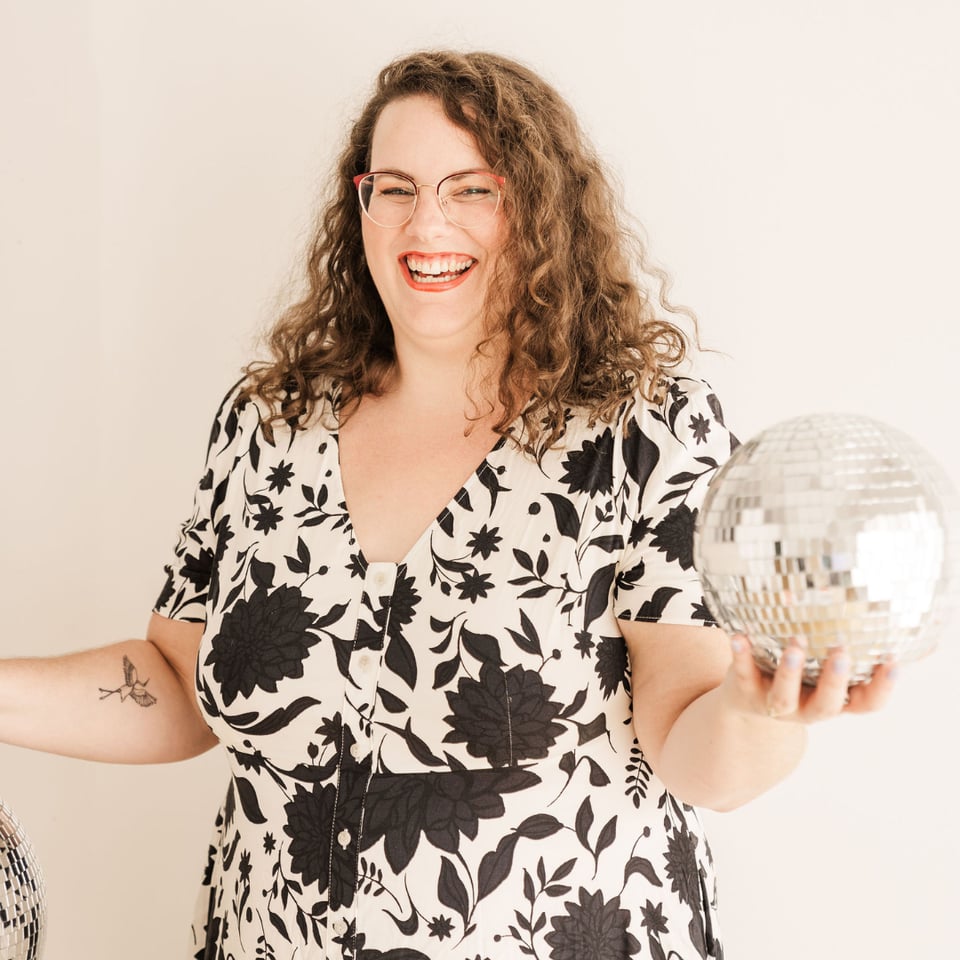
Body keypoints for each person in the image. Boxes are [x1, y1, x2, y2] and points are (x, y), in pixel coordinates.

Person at [0, 50, 897, 960]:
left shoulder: (643, 431)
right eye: (394, 188)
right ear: (359, 208)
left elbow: (695, 749)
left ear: (540, 211)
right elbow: (178, 685)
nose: (426, 222)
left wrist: (762, 711)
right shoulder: (268, 423)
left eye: (473, 190)